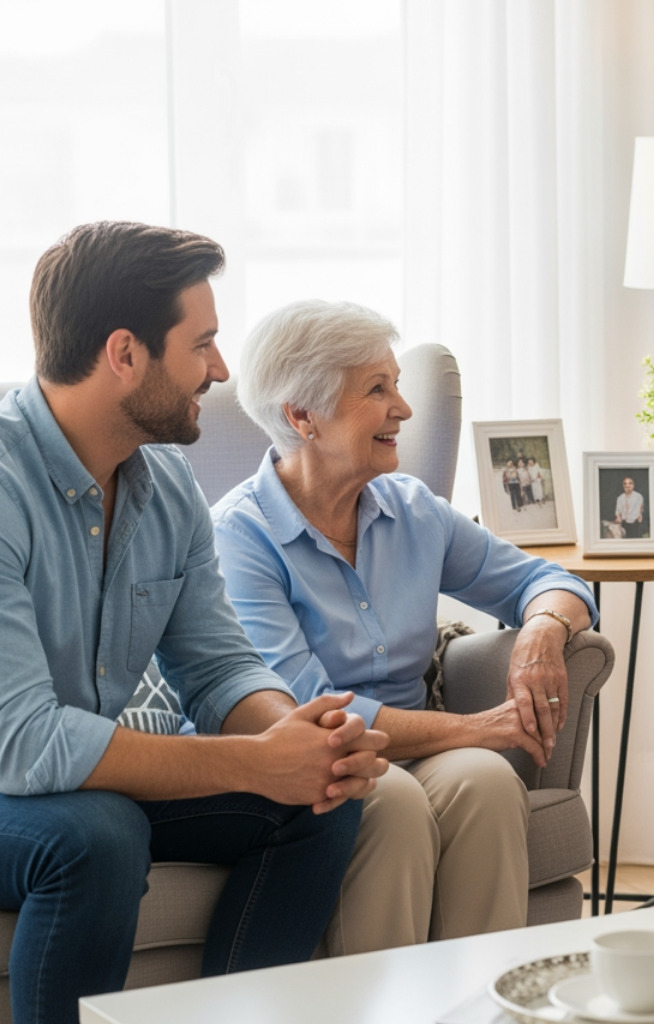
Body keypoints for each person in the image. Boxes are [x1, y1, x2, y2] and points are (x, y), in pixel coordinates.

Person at [0, 221, 388, 1024]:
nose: (220, 370)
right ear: (124, 354)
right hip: (13, 780)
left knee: (322, 800)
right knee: (96, 835)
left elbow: (216, 666)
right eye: (203, 344)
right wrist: (252, 763)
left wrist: (297, 742)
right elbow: (29, 741)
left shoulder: (165, 480)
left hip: (78, 779)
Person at [210, 299, 598, 955]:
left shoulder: (411, 508)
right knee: (387, 798)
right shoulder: (240, 536)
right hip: (311, 761)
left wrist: (540, 634)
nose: (405, 409)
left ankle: (488, 1000)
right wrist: (477, 727)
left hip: (415, 749)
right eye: (377, 389)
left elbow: (552, 581)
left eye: (397, 384)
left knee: (485, 779)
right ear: (302, 417)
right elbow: (310, 712)